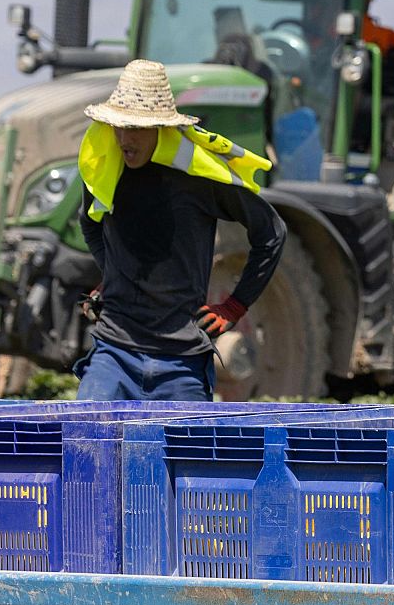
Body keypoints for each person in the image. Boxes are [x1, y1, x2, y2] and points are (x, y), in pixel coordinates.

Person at [74, 60, 286, 401]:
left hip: (181, 361)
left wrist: (234, 307)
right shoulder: (107, 168)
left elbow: (272, 233)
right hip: (114, 354)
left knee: (186, 455)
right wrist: (113, 274)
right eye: (118, 127)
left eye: (136, 128)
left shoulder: (200, 178)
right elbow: (90, 222)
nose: (125, 139)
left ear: (161, 128)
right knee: (86, 440)